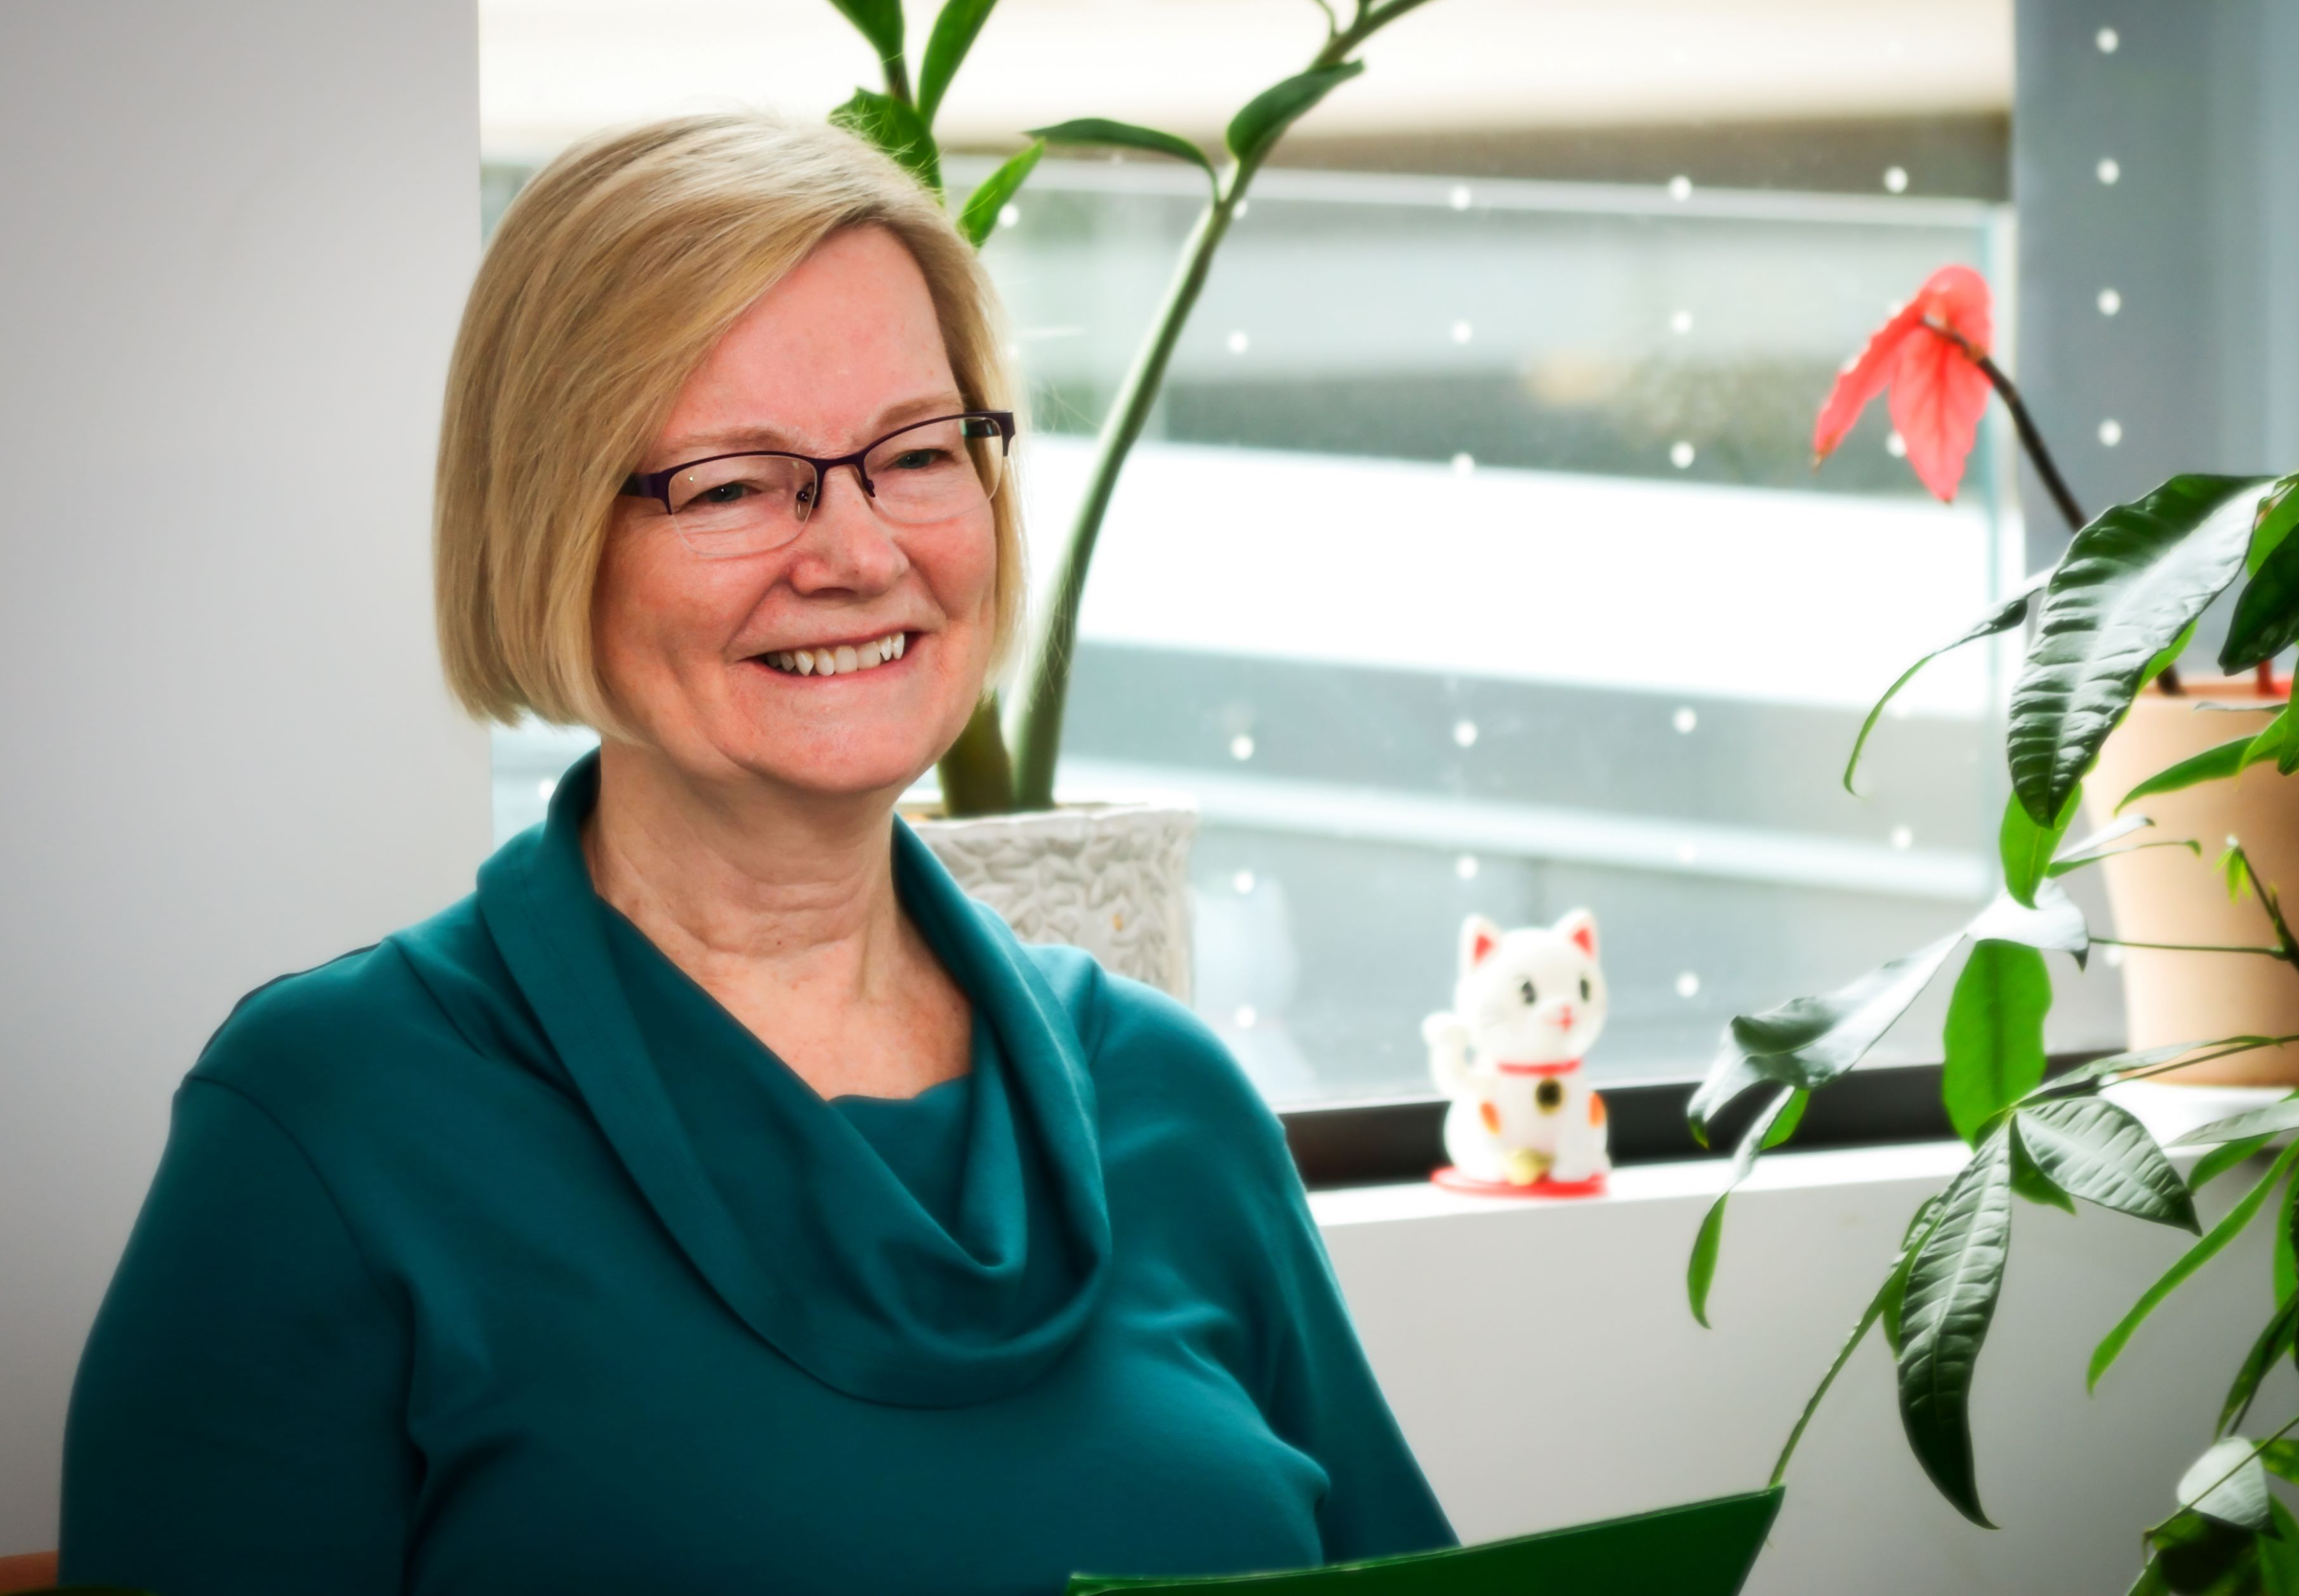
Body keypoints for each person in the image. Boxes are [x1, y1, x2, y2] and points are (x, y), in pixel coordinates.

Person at [60, 113, 1454, 1595]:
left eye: (917, 453)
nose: (857, 552)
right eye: (731, 482)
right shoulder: (325, 1129)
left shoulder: (1172, 1098)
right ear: (548, 531)